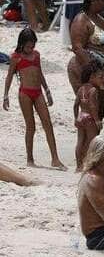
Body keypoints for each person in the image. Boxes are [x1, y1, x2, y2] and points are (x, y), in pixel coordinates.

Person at [3, 28, 65, 169]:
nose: (31, 49)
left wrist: (47, 90)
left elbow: (40, 73)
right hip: (25, 93)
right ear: (22, 44)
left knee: (48, 124)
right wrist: (6, 96)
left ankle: (55, 159)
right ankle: (30, 159)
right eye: (28, 46)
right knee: (31, 127)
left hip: (38, 93)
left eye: (33, 46)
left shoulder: (36, 55)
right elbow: (9, 77)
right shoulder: (15, 57)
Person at [67, 0, 104, 121]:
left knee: (99, 111)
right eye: (103, 0)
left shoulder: (98, 17)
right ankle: (88, 141)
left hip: (103, 73)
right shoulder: (81, 20)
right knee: (91, 110)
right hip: (89, 71)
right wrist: (95, 71)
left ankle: (92, 141)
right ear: (93, 0)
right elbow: (78, 48)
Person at [73, 60, 104, 172]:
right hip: (89, 118)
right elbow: (93, 106)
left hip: (81, 116)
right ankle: (89, 165)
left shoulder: (81, 89)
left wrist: (76, 117)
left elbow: (75, 105)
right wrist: (97, 120)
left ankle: (78, 165)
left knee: (80, 142)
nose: (103, 78)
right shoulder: (93, 90)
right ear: (92, 77)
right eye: (100, 76)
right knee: (92, 142)